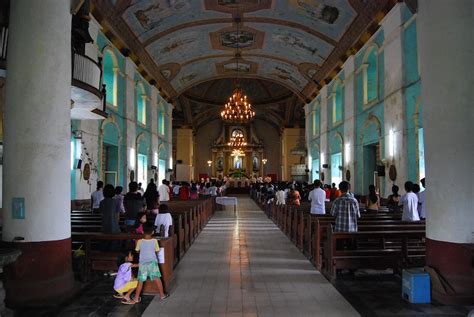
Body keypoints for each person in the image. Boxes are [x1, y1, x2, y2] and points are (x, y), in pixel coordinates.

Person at [128, 223, 169, 305]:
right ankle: (162, 295)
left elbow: (137, 251)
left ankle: (136, 298)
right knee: (157, 279)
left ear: (142, 231)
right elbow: (157, 250)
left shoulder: (139, 241)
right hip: (152, 263)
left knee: (140, 281)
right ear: (153, 232)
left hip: (142, 264)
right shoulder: (154, 241)